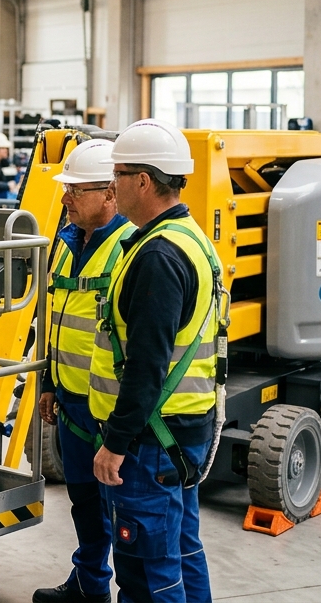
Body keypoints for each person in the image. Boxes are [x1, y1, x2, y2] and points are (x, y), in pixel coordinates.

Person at [89, 119, 224, 603]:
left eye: (117, 176)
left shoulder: (158, 256)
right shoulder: (191, 237)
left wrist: (116, 443)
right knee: (183, 551)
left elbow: (147, 366)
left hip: (149, 441)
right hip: (180, 434)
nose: (112, 186)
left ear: (143, 181)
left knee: (148, 571)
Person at [33, 139, 133, 603]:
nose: (65, 198)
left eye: (75, 190)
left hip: (111, 409)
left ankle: (126, 590)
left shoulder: (130, 250)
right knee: (84, 504)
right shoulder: (67, 244)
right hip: (72, 402)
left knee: (124, 513)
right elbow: (55, 316)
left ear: (111, 193)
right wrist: (49, 383)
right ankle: (90, 585)